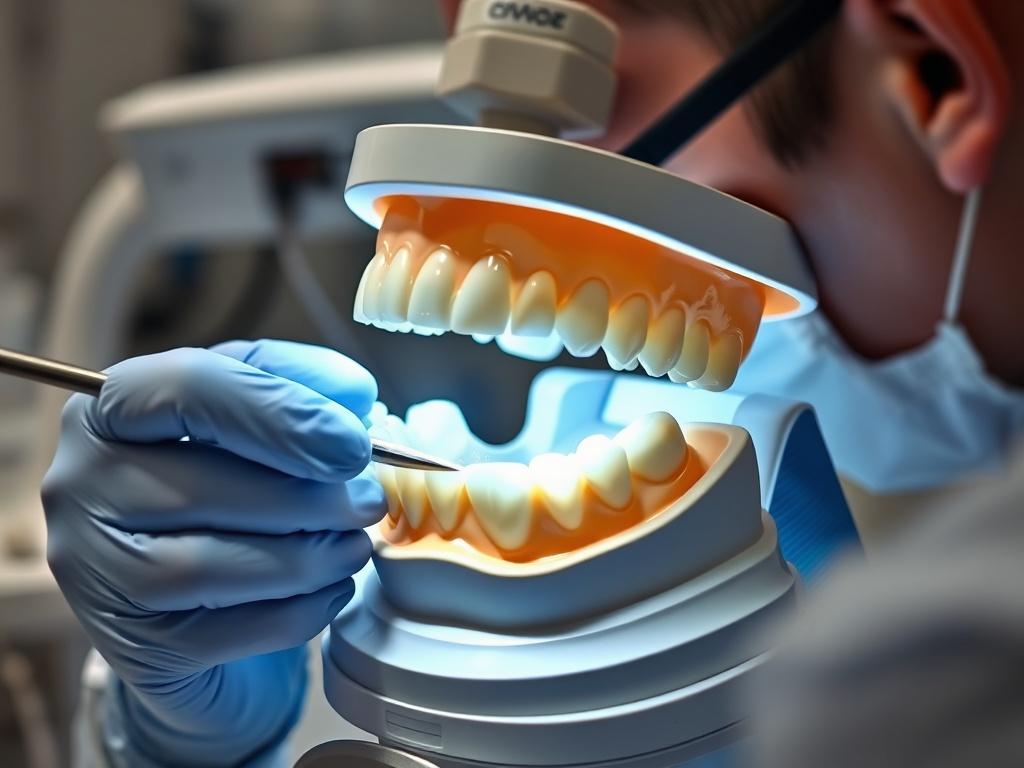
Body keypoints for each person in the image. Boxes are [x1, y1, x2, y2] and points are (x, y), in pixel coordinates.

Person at [45, 0, 1024, 765]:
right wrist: (187, 741)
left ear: (929, 70)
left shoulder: (966, 658)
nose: (530, 189)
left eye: (588, 103)